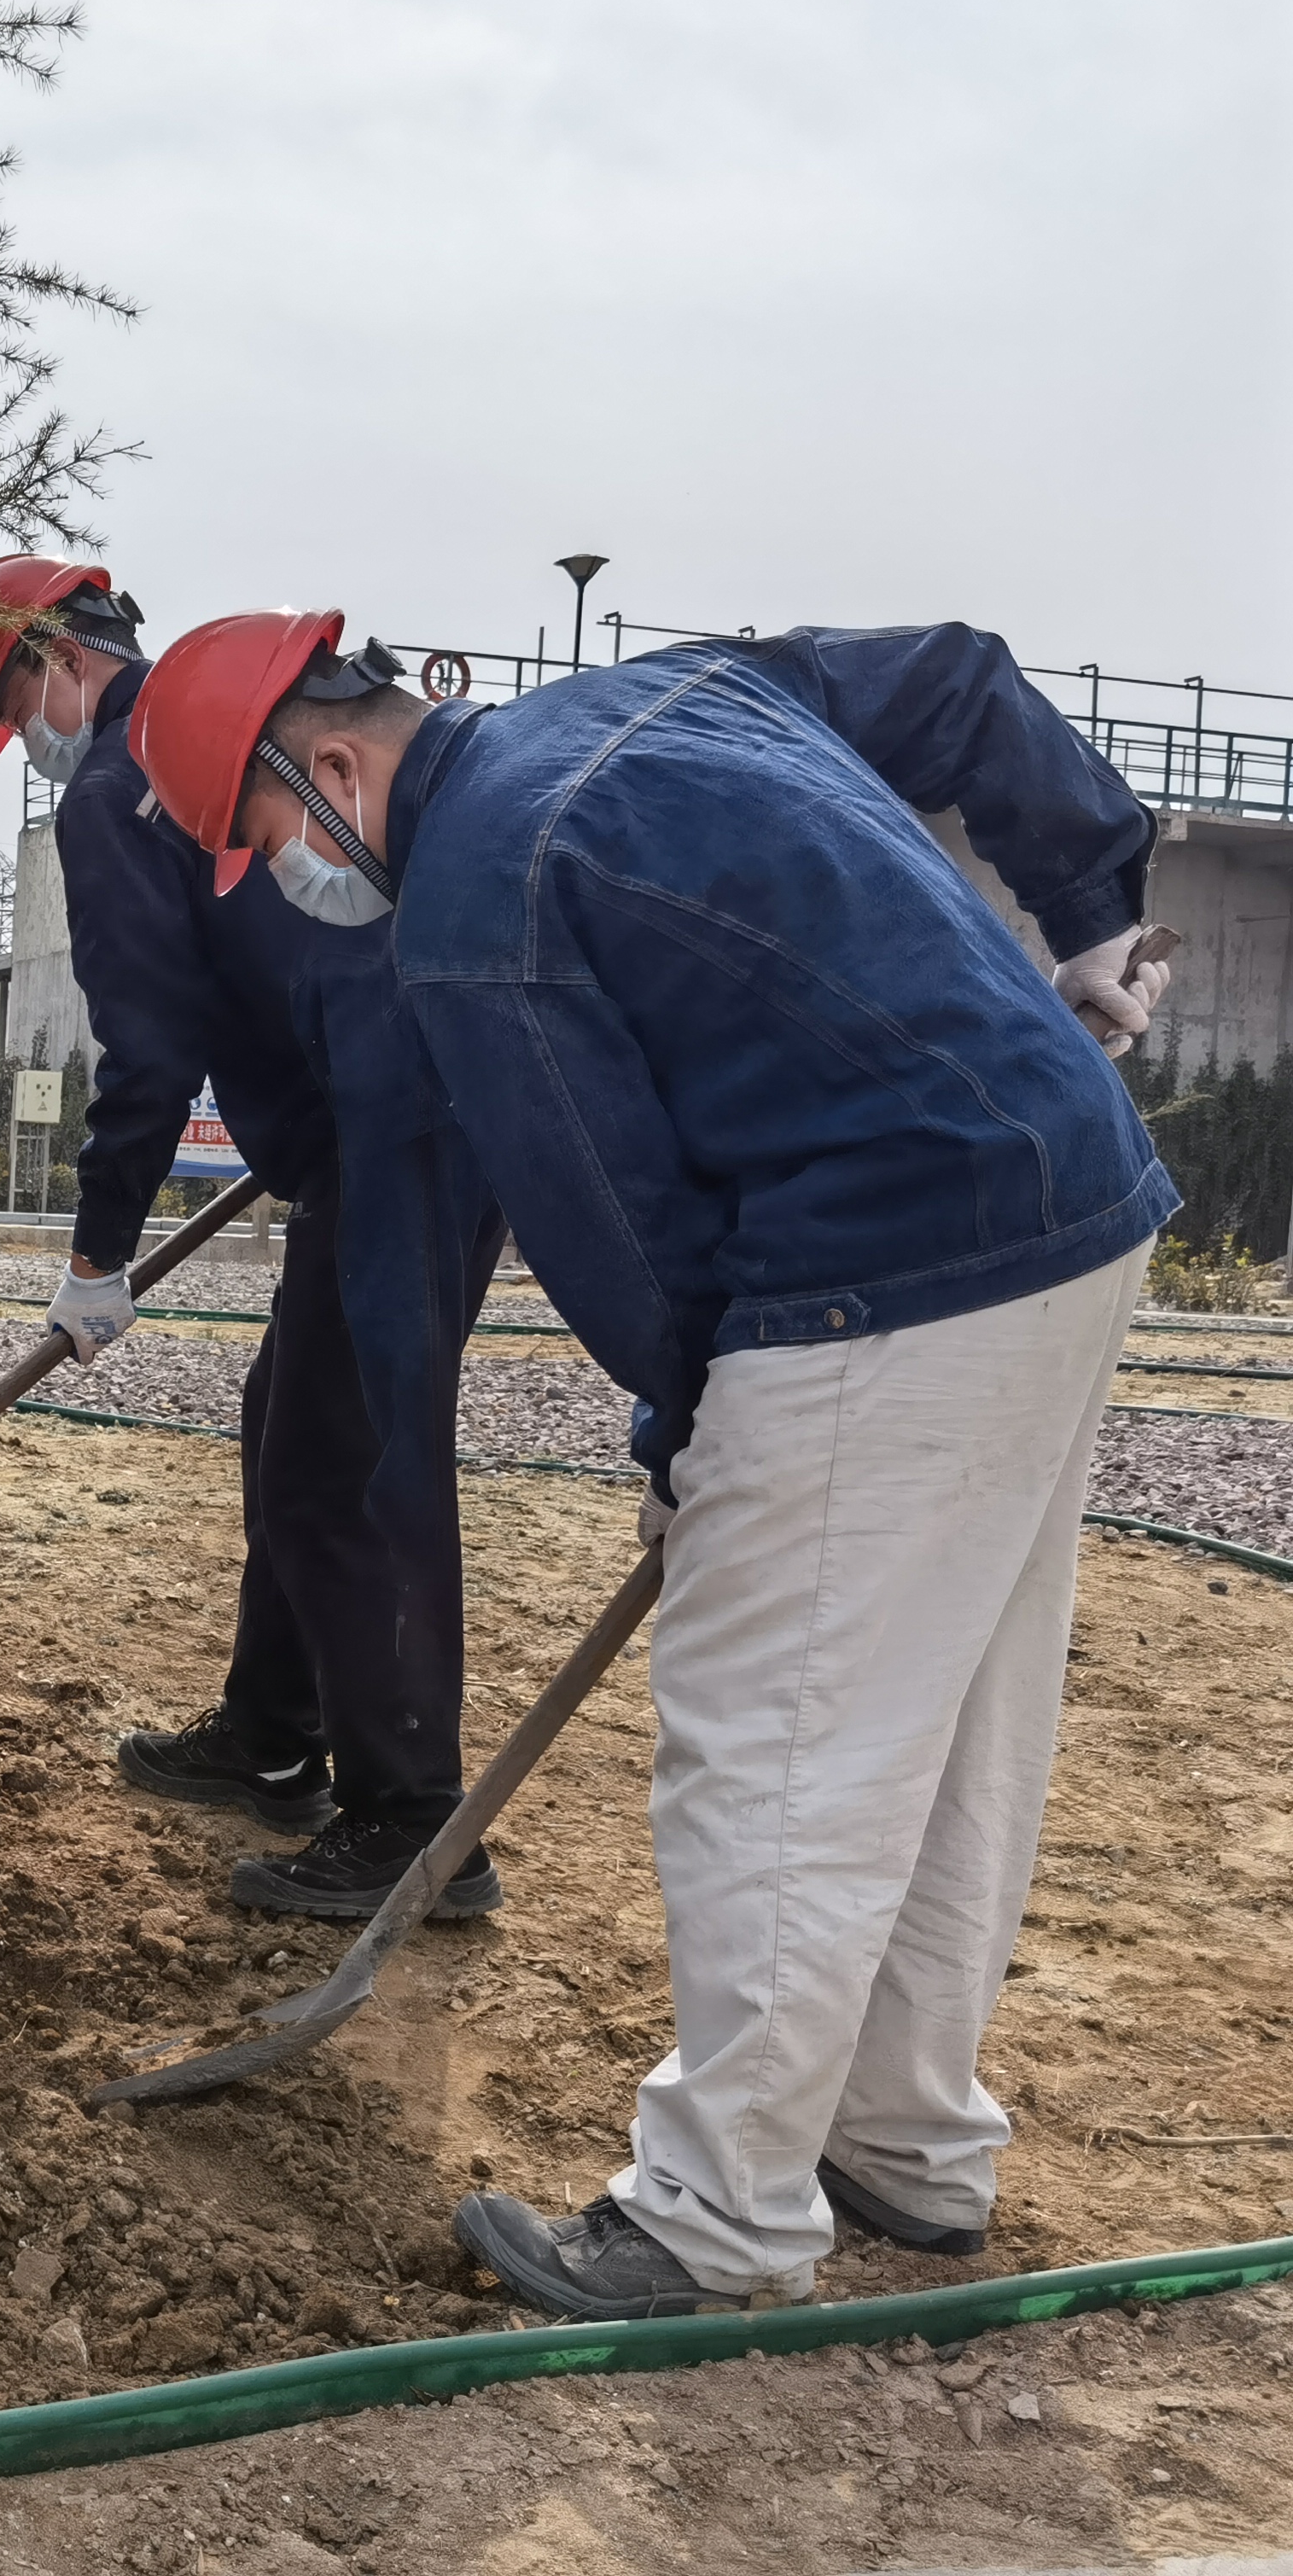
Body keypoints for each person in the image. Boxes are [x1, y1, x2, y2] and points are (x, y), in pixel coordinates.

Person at [131, 608, 1176, 2319]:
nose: (286, 876)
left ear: (326, 769)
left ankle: (713, 2217)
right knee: (950, 1705)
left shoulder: (470, 899)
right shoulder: (665, 687)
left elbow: (623, 1235)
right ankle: (899, 2147)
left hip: (878, 1266)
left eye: (262, 841)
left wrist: (692, 1435)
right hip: (1066, 1199)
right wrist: (1089, 913)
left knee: (769, 1735)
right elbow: (958, 679)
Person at [0, 555, 509, 1919]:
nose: (31, 738)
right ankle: (271, 1730)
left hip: (401, 1126)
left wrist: (96, 1258)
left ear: (58, 658)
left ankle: (416, 1821)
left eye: (18, 704)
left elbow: (147, 1050)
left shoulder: (117, 788)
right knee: (288, 1426)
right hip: (384, 1117)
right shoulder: (207, 728)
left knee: (341, 1462)